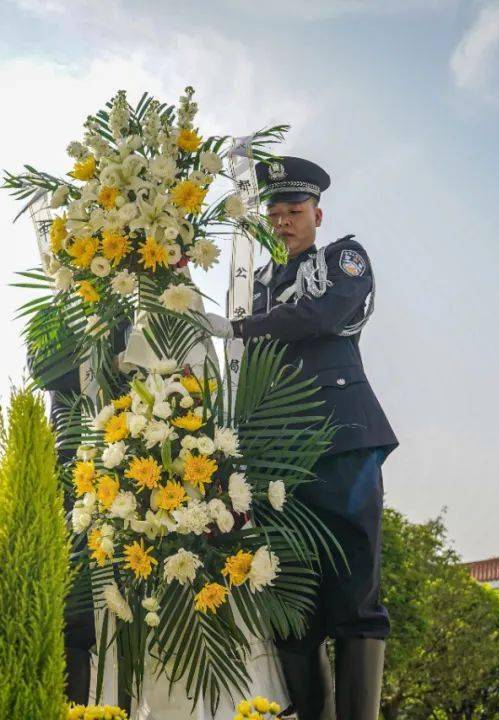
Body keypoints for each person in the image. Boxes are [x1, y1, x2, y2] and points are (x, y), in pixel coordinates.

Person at [205, 156, 398, 720]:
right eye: (276, 213)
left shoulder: (344, 259)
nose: (284, 221)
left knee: (357, 591)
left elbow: (323, 314)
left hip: (342, 443)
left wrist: (240, 327)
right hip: (275, 461)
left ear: (317, 212)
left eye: (294, 211)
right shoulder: (257, 284)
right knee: (291, 602)